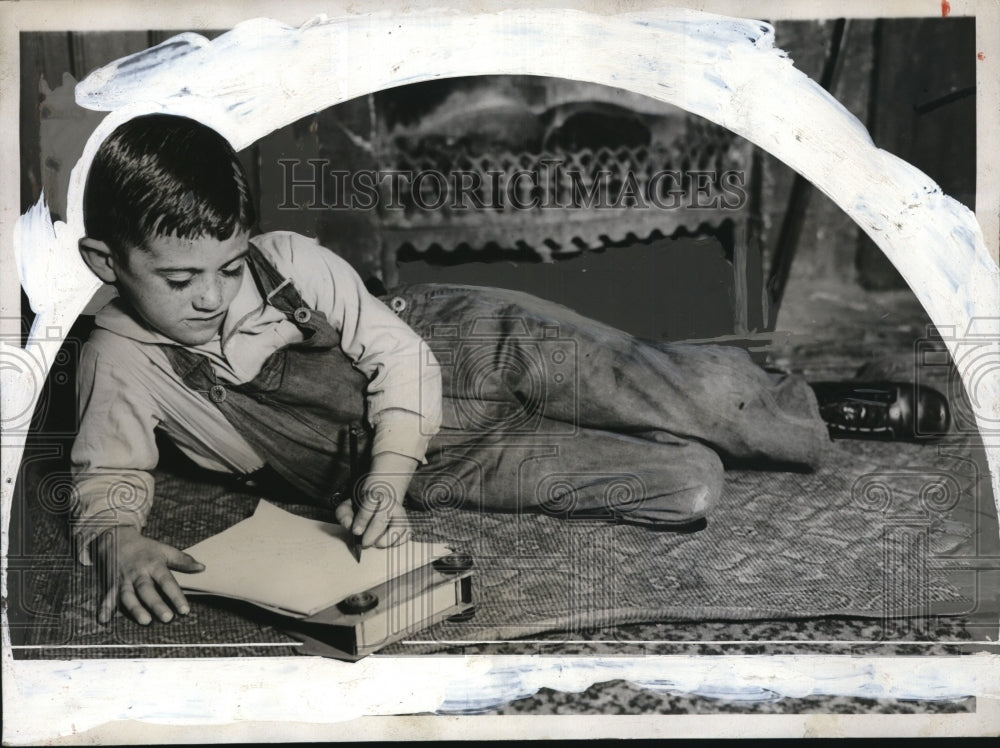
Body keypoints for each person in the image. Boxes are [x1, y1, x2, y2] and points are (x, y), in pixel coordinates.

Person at [70, 114, 949, 626]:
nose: (214, 296)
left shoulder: (292, 259)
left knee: (698, 393)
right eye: (182, 280)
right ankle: (695, 404)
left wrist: (385, 471)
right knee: (689, 487)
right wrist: (117, 538)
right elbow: (109, 468)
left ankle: (796, 400)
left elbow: (397, 354)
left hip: (472, 348)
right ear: (108, 263)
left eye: (228, 266)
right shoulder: (121, 359)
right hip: (452, 465)